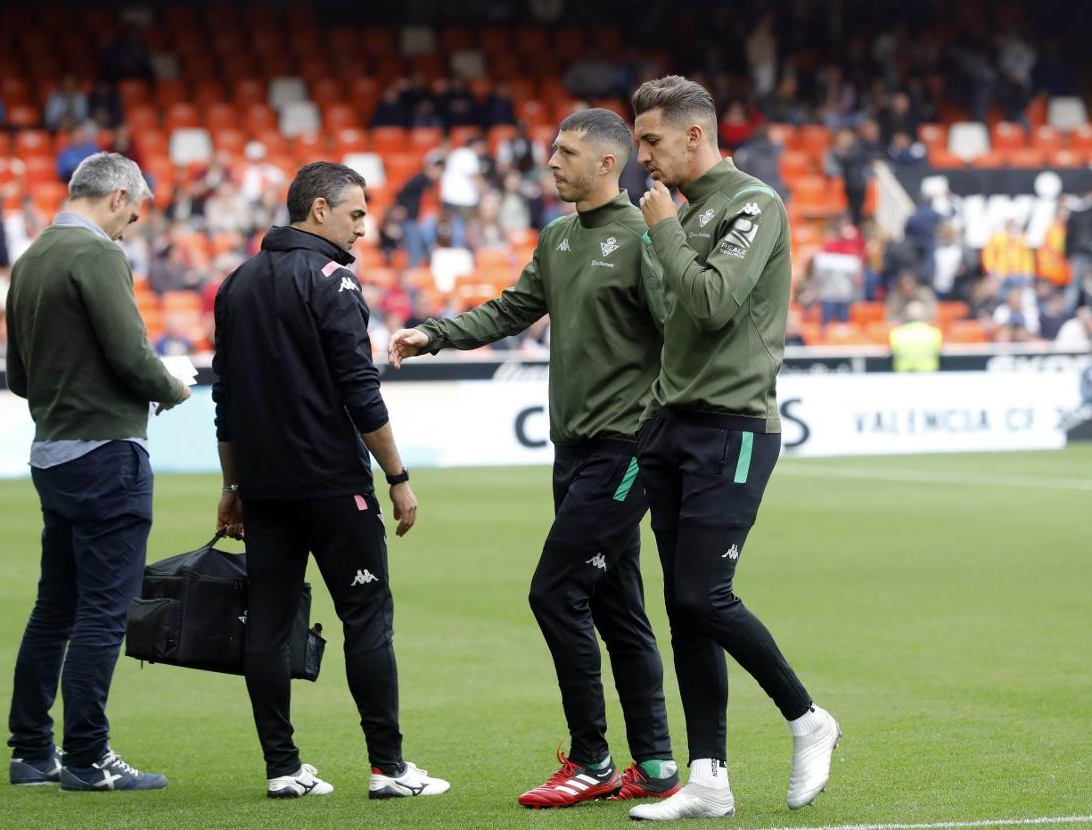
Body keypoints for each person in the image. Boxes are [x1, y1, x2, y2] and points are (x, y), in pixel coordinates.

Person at [389, 109, 680, 809]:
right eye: (553, 150)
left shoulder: (643, 236)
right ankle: (659, 764)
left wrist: (664, 430)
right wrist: (435, 334)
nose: (551, 163)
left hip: (627, 449)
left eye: (567, 153)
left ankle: (592, 759)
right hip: (573, 451)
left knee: (554, 591)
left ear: (608, 164)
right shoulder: (557, 239)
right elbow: (510, 309)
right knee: (619, 608)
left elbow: (683, 331)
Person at [628, 75, 840, 821]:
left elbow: (713, 304)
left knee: (702, 595)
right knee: (684, 611)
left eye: (651, 141)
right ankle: (709, 778)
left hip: (734, 427)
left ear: (694, 135)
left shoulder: (754, 202)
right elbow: (671, 320)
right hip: (673, 425)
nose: (642, 157)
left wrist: (662, 230)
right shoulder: (685, 211)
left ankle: (808, 719)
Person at [211, 161, 449, 800]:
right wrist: (396, 475)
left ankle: (283, 770)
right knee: (366, 617)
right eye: (355, 215)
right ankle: (389, 769)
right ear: (319, 209)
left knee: (267, 622)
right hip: (331, 484)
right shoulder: (333, 282)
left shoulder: (234, 285)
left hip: (262, 487)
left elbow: (225, 401)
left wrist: (232, 486)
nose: (364, 229)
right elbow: (359, 391)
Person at [4, 152, 190, 792]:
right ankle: (87, 759)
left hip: (52, 452)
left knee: (54, 606)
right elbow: (134, 356)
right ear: (117, 196)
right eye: (133, 211)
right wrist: (174, 386)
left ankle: (32, 751)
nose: (131, 224)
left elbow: (16, 377)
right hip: (107, 452)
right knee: (103, 612)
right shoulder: (99, 256)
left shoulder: (31, 258)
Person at [890, 300, 943, 371]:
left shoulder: (896, 333)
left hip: (903, 376)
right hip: (929, 376)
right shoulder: (935, 333)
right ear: (925, 316)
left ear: (906, 316)